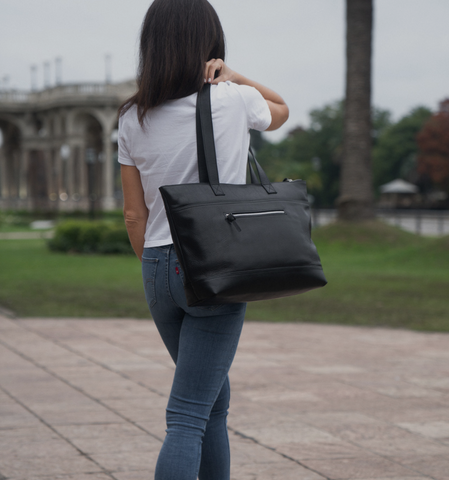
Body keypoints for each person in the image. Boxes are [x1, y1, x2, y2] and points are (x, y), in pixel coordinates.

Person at [118, 0, 288, 478]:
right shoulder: (234, 99)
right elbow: (282, 109)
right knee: (188, 413)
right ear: (208, 43)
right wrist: (235, 75)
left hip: (156, 268)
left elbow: (135, 214)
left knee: (210, 399)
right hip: (215, 266)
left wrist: (158, 269)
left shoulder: (133, 116)